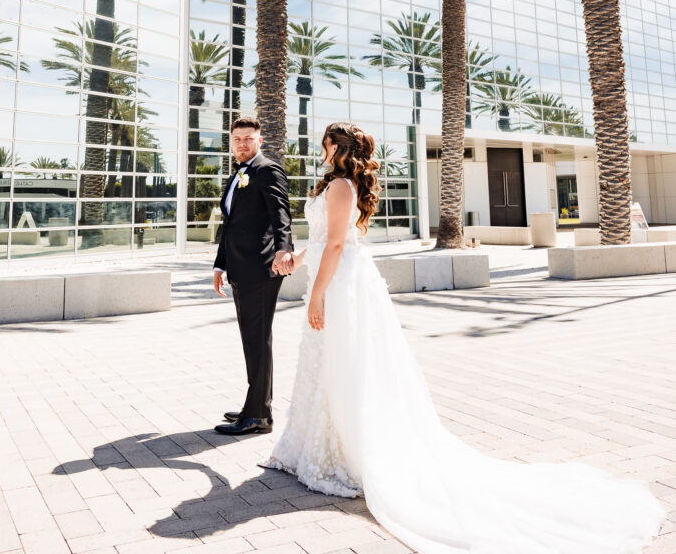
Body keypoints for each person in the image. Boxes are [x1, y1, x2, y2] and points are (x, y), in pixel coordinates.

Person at [260, 121, 666, 554]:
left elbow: (338, 245)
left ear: (334, 146)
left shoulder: (341, 186)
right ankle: (314, 445)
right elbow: (324, 241)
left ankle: (343, 451)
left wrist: (318, 292)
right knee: (325, 363)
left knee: (340, 364)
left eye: (324, 142)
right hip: (332, 276)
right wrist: (295, 258)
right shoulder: (335, 185)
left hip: (340, 285)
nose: (320, 148)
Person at [212, 117, 294, 436]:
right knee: (252, 339)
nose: (243, 143)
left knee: (257, 339)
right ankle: (256, 406)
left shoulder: (267, 170)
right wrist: (220, 266)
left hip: (261, 267)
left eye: (249, 138)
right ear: (231, 143)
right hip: (238, 267)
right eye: (237, 139)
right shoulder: (237, 175)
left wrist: (284, 250)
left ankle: (258, 414)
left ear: (260, 140)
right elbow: (229, 226)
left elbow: (281, 214)